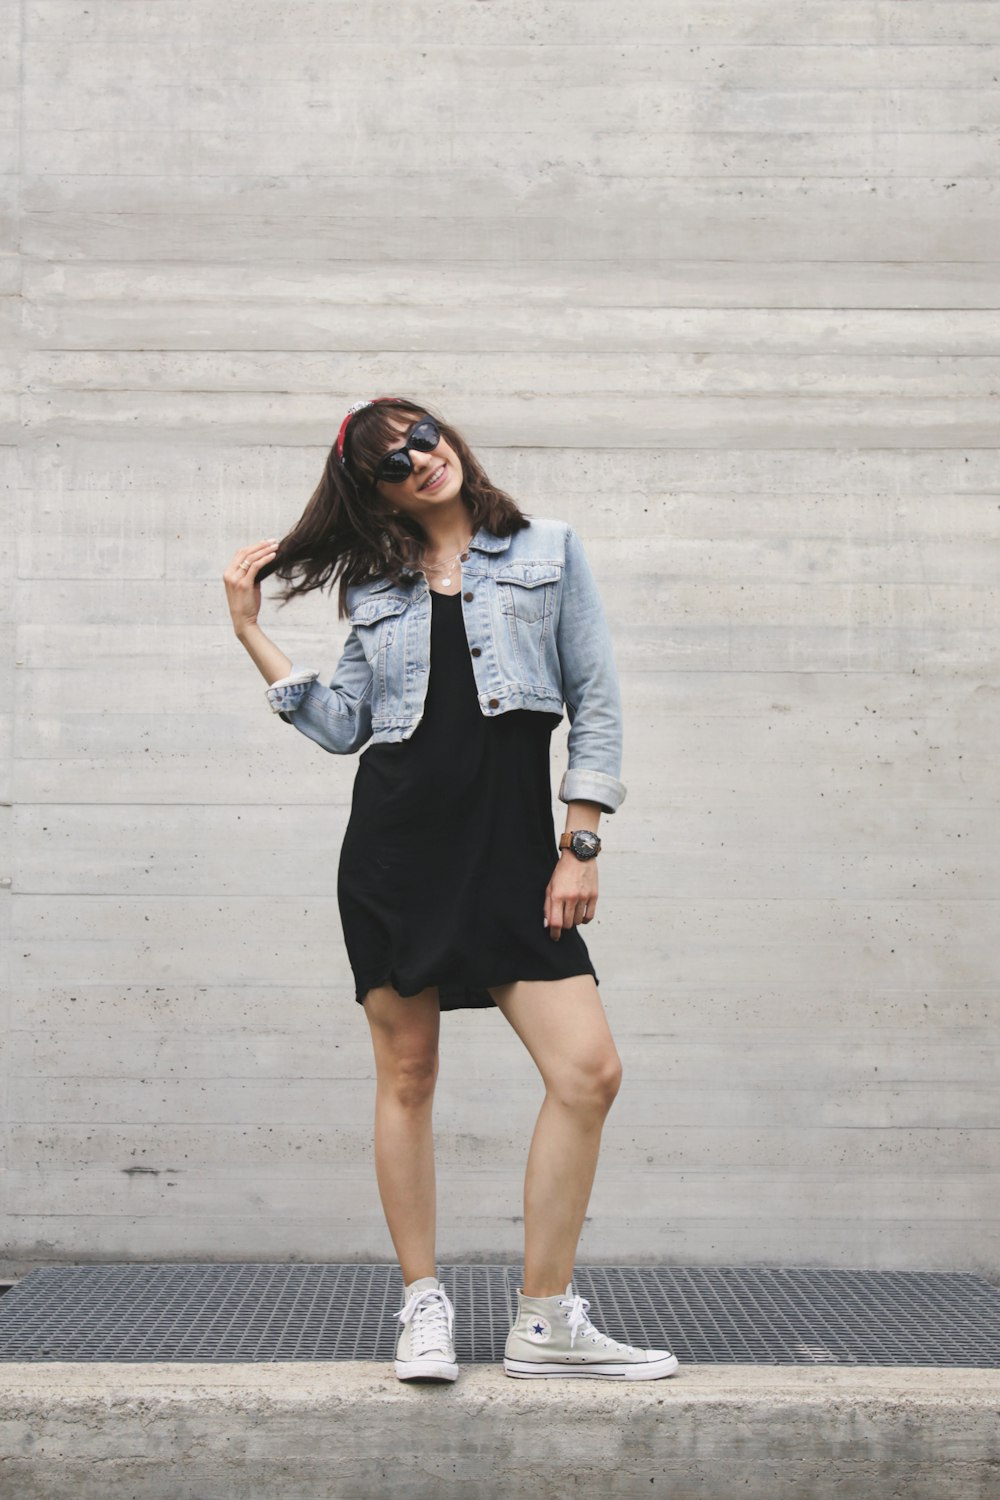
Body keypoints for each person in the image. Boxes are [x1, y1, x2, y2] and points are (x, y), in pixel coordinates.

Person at [222, 396, 678, 1383]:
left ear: (450, 438)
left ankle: (545, 1319)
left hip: (516, 853)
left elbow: (594, 700)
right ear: (373, 491)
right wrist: (250, 633)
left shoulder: (548, 550)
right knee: (408, 1079)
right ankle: (420, 1305)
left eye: (424, 438)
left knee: (587, 1073)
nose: (420, 461)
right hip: (397, 851)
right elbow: (344, 726)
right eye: (392, 462)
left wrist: (580, 842)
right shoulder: (376, 588)